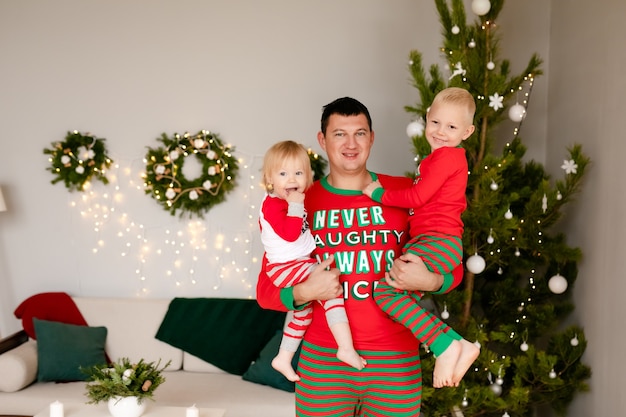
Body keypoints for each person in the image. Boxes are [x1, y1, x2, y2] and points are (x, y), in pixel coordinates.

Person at [256, 97, 464, 417]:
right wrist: (305, 292)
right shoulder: (297, 201)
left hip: (395, 363)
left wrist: (434, 280)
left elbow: (450, 261)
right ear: (322, 140)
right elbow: (266, 292)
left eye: (360, 133)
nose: (351, 144)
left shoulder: (404, 192)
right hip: (323, 362)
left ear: (372, 137)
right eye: (340, 134)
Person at [362, 87, 480, 388]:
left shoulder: (446, 159)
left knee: (386, 293)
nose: (440, 132)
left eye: (451, 127)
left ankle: (444, 347)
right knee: (398, 298)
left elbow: (417, 197)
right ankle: (458, 344)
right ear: (427, 118)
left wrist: (378, 193)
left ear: (467, 132)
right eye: (436, 122)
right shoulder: (444, 158)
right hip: (436, 241)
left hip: (437, 240)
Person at [259, 140, 366, 382]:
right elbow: (290, 233)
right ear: (270, 178)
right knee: (331, 289)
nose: (292, 179)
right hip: (284, 267)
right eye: (283, 173)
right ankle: (346, 347)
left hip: (291, 265)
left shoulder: (289, 201)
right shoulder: (274, 205)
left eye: (298, 173)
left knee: (303, 314)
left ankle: (283, 358)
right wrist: (296, 206)